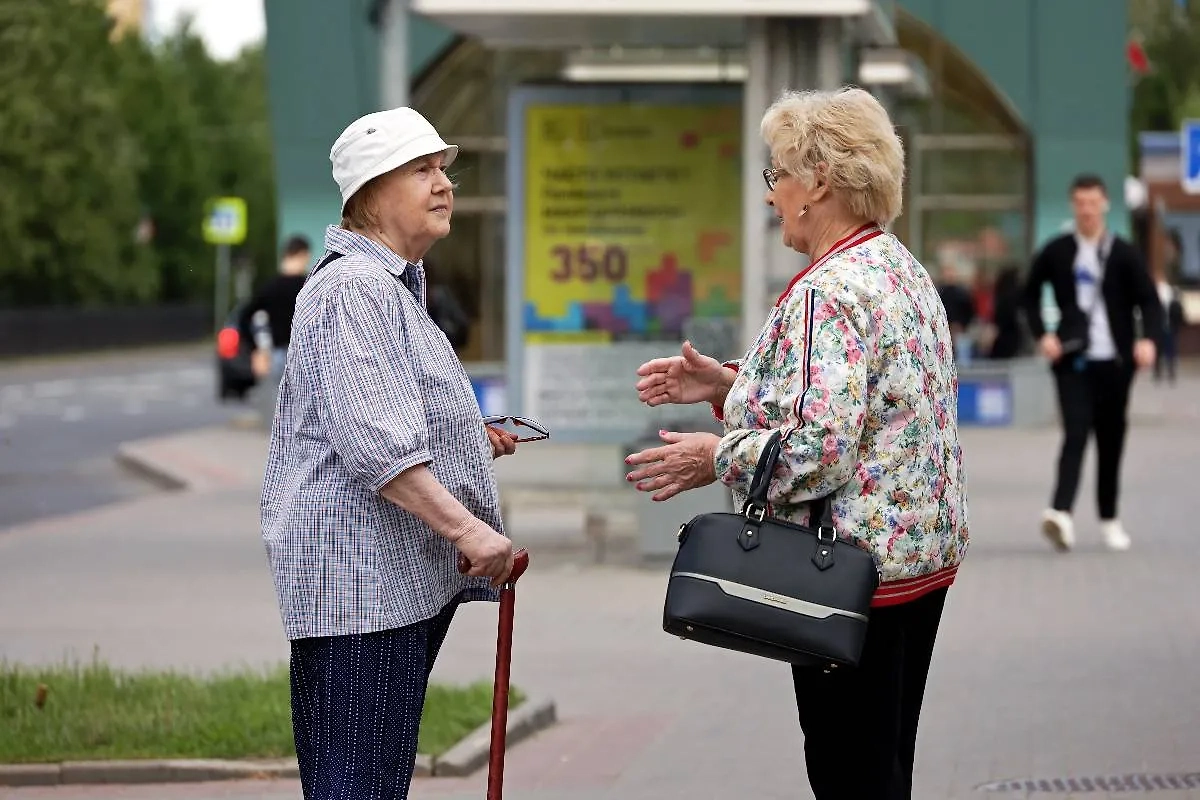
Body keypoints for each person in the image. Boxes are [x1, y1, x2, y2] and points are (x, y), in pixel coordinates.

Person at [625, 87, 969, 800]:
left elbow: (821, 448)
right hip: (912, 568)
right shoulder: (898, 268)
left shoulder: (829, 290)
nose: (772, 194)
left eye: (778, 175)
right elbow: (873, 411)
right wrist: (727, 388)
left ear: (819, 182)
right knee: (882, 767)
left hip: (845, 578)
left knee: (849, 774)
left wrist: (712, 456)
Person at [259, 107, 521, 800]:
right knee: (360, 787)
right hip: (361, 593)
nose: (443, 185)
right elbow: (379, 451)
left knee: (358, 782)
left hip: (379, 589)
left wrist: (467, 440)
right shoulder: (356, 290)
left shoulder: (389, 287)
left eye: (444, 170)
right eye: (421, 170)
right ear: (370, 193)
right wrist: (471, 531)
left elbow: (380, 421)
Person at [1021, 174, 1162, 553]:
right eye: (1080, 203)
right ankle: (1060, 512)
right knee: (1076, 432)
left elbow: (1149, 300)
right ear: (1073, 205)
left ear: (1105, 205)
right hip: (1072, 360)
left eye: (1092, 203)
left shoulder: (1124, 253)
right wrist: (1043, 334)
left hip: (1115, 362)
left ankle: (1109, 519)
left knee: (1111, 439)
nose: (1086, 210)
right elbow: (1028, 294)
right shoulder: (1057, 251)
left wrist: (1147, 339)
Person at [1155, 229, 1185, 384]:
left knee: (1171, 350)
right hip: (1160, 325)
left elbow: (1177, 307)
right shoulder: (1157, 293)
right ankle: (1158, 372)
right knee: (1159, 350)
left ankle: (1171, 372)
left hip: (1170, 326)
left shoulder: (1172, 287)